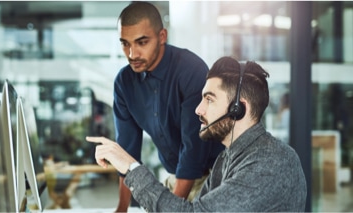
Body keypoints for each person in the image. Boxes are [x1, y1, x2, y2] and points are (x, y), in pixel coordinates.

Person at [87, 56, 307, 212]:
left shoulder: (270, 163)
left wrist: (131, 166)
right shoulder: (227, 158)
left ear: (238, 109)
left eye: (209, 100)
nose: (198, 109)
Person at [105, 2, 223, 212]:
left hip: (214, 181)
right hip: (175, 177)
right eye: (125, 43)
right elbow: (126, 150)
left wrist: (172, 207)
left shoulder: (191, 70)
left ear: (162, 36)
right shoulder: (124, 83)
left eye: (142, 42)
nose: (132, 54)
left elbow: (193, 151)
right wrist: (121, 208)